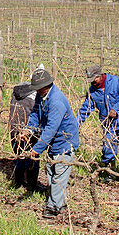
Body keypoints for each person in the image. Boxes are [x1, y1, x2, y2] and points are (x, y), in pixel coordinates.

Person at [24, 67, 80, 218]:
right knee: (51, 170)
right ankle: (59, 203)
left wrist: (37, 149)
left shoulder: (56, 101)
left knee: (59, 174)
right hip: (52, 142)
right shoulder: (41, 95)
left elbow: (51, 129)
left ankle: (52, 207)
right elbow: (35, 113)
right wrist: (28, 130)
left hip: (64, 141)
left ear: (45, 86)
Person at [78, 65, 119, 185]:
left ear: (100, 76)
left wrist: (116, 109)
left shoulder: (115, 82)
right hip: (107, 124)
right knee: (108, 149)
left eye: (94, 79)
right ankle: (111, 174)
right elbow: (86, 108)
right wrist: (76, 124)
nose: (93, 82)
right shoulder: (92, 91)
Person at [8, 80, 40, 188]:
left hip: (14, 129)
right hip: (28, 131)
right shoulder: (35, 95)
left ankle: (18, 183)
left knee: (18, 155)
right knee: (32, 158)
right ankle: (31, 185)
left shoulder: (16, 92)